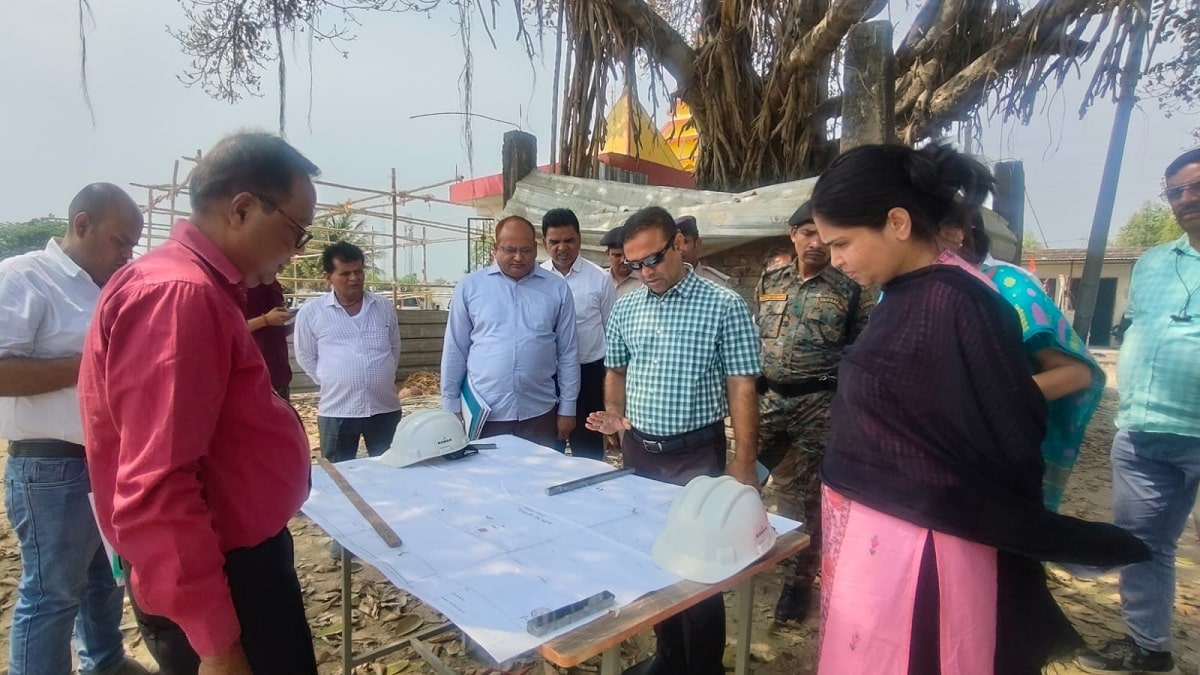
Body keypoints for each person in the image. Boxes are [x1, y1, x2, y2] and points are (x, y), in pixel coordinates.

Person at [810, 143, 1148, 675]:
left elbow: (1000, 424)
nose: (836, 259)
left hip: (924, 542)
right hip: (886, 533)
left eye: (842, 243)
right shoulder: (910, 293)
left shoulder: (954, 301)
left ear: (897, 222)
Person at [79, 132, 321, 675]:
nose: (298, 249)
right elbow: (159, 485)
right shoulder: (179, 295)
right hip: (225, 579)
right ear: (242, 209)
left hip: (231, 564)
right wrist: (216, 643)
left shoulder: (187, 286)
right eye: (296, 229)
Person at [587, 206, 761, 675]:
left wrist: (745, 462)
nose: (646, 272)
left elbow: (741, 385)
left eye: (654, 259)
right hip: (640, 454)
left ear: (678, 244)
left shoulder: (723, 305)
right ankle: (668, 656)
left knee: (699, 569)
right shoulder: (627, 307)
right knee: (656, 558)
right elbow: (615, 369)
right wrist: (616, 418)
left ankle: (703, 666)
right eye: (634, 264)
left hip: (696, 455)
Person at [0, 184, 149, 675]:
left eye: (132, 245)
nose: (126, 255)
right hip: (51, 465)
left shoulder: (108, 287)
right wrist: (93, 363)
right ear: (82, 225)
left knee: (105, 578)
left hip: (106, 461)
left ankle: (105, 661)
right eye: (119, 241)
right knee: (53, 593)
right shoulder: (26, 277)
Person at [1075, 147, 1200, 674]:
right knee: (1142, 545)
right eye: (1175, 191)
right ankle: (1149, 648)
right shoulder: (1153, 263)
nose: (1186, 199)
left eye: (1196, 187)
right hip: (1145, 432)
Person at [756, 199, 873, 625]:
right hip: (769, 401)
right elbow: (758, 337)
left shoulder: (850, 289)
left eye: (823, 236)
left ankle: (798, 583)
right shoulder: (771, 280)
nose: (816, 243)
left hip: (818, 406)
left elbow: (860, 352)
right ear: (793, 235)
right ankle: (743, 547)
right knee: (744, 476)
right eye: (807, 233)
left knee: (810, 498)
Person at [939, 214, 1105, 511]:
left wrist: (981, 403)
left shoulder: (1006, 286)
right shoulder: (899, 288)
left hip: (990, 463)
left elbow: (1076, 374)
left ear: (956, 231)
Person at [441, 215, 580, 449]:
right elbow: (455, 349)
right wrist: (450, 406)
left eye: (525, 250)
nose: (518, 257)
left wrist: (568, 408)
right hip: (485, 414)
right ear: (495, 249)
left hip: (540, 413)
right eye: (510, 250)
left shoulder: (557, 289)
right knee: (487, 472)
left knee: (541, 471)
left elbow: (568, 353)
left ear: (535, 248)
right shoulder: (470, 287)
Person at [295, 241, 402, 462]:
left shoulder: (383, 307)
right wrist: (330, 379)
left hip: (384, 408)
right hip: (337, 411)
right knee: (339, 473)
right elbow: (305, 355)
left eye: (358, 271)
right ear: (328, 277)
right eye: (345, 273)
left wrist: (380, 376)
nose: (354, 278)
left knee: (390, 468)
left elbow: (394, 347)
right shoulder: (312, 312)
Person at [541, 208, 616, 460]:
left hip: (589, 376)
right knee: (549, 450)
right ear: (544, 242)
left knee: (588, 451)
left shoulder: (600, 279)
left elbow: (611, 330)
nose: (562, 247)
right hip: (548, 377)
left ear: (579, 239)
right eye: (554, 241)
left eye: (569, 240)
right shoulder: (537, 280)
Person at [244, 280, 293, 399]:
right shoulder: (238, 286)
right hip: (253, 374)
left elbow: (276, 331)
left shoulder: (272, 282)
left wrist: (300, 323)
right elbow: (229, 329)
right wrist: (265, 320)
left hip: (279, 372)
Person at [675, 214, 734, 288]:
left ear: (697, 244)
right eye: (676, 243)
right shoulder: (665, 284)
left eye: (685, 242)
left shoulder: (718, 284)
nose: (680, 248)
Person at [601, 225, 644, 297]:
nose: (623, 260)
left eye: (627, 255)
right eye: (617, 255)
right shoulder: (599, 279)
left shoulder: (645, 282)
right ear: (608, 254)